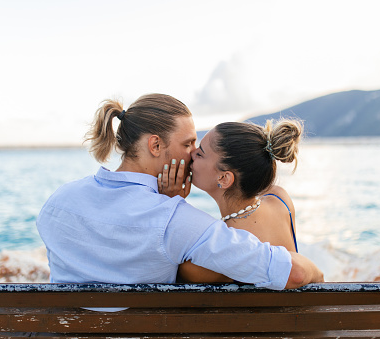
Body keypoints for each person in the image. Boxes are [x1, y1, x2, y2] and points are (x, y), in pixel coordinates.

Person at [36, 93, 323, 291]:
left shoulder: (58, 202)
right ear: (156, 146)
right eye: (188, 144)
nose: (192, 155)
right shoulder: (176, 221)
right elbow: (293, 272)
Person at [167, 119, 305, 283]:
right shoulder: (280, 199)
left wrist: (169, 203)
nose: (192, 154)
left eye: (200, 154)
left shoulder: (224, 247)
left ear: (224, 178)